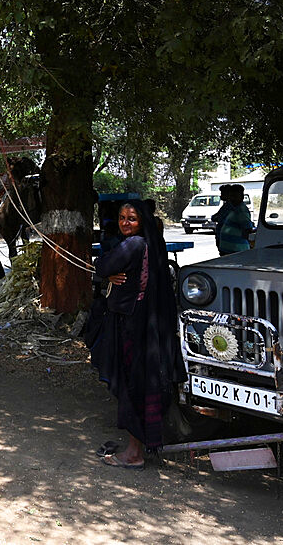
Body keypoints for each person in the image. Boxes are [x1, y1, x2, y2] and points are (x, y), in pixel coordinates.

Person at [88, 199, 186, 469]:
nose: (125, 223)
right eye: (121, 218)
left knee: (133, 386)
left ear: (142, 221)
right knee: (141, 384)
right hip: (144, 324)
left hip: (132, 326)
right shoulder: (150, 244)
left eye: (131, 218)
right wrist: (109, 275)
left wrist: (107, 273)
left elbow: (101, 266)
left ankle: (134, 453)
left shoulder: (133, 245)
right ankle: (139, 445)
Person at [218, 185, 254, 255]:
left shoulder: (242, 210)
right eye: (231, 196)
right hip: (229, 249)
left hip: (236, 250)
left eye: (235, 196)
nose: (232, 199)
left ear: (242, 197)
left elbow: (247, 229)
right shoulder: (234, 208)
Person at [210, 184, 233, 253]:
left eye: (223, 193)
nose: (221, 195)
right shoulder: (225, 206)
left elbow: (219, 218)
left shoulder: (229, 207)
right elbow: (214, 217)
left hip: (227, 238)